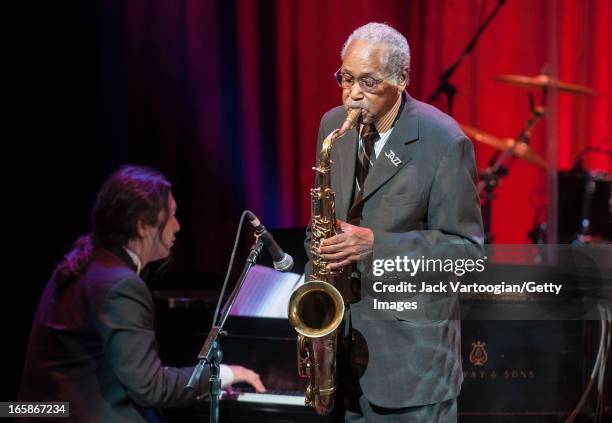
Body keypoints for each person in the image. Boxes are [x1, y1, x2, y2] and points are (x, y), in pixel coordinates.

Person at [307, 23, 484, 421]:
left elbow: (468, 256)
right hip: (342, 357)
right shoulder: (333, 127)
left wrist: (377, 247)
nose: (353, 94)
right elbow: (319, 226)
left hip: (412, 372)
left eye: (368, 82)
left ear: (402, 78)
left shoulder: (444, 141)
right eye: (346, 78)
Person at [19, 165, 265, 422]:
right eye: (171, 215)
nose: (177, 226)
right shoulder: (122, 285)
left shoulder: (83, 264)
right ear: (143, 226)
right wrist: (224, 374)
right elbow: (151, 388)